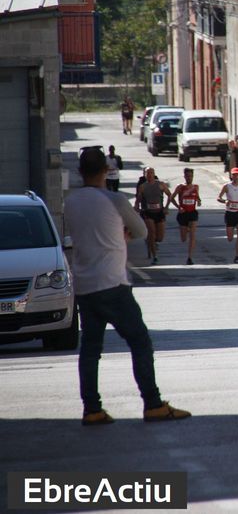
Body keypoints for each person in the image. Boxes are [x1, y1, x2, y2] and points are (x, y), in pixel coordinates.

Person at [64, 147, 190, 426]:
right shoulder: (114, 200)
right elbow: (142, 231)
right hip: (112, 283)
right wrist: (122, 235)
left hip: (84, 285)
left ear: (80, 171)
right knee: (139, 341)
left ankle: (92, 408)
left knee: (90, 349)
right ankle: (152, 403)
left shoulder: (71, 202)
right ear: (106, 170)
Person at [133, 167, 171, 265]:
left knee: (160, 237)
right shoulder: (142, 186)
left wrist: (166, 207)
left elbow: (169, 195)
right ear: (145, 175)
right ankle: (155, 256)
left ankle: (151, 242)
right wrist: (136, 207)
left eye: (151, 173)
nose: (149, 175)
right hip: (148, 212)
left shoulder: (160, 184)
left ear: (154, 174)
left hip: (159, 212)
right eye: (147, 173)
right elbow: (138, 199)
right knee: (152, 233)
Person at [169, 168, 201, 265]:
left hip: (192, 213)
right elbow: (171, 198)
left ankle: (190, 257)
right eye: (187, 176)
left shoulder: (195, 187)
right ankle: (186, 229)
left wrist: (199, 201)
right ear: (184, 176)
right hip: (183, 214)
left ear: (193, 176)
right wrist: (178, 207)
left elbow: (197, 197)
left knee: (192, 235)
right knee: (183, 239)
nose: (189, 178)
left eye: (191, 176)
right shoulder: (180, 187)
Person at [218, 167, 238, 263]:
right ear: (231, 175)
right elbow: (219, 197)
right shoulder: (227, 186)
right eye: (234, 174)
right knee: (230, 238)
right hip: (230, 213)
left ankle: (237, 256)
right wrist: (225, 201)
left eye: (237, 174)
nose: (235, 176)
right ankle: (231, 233)